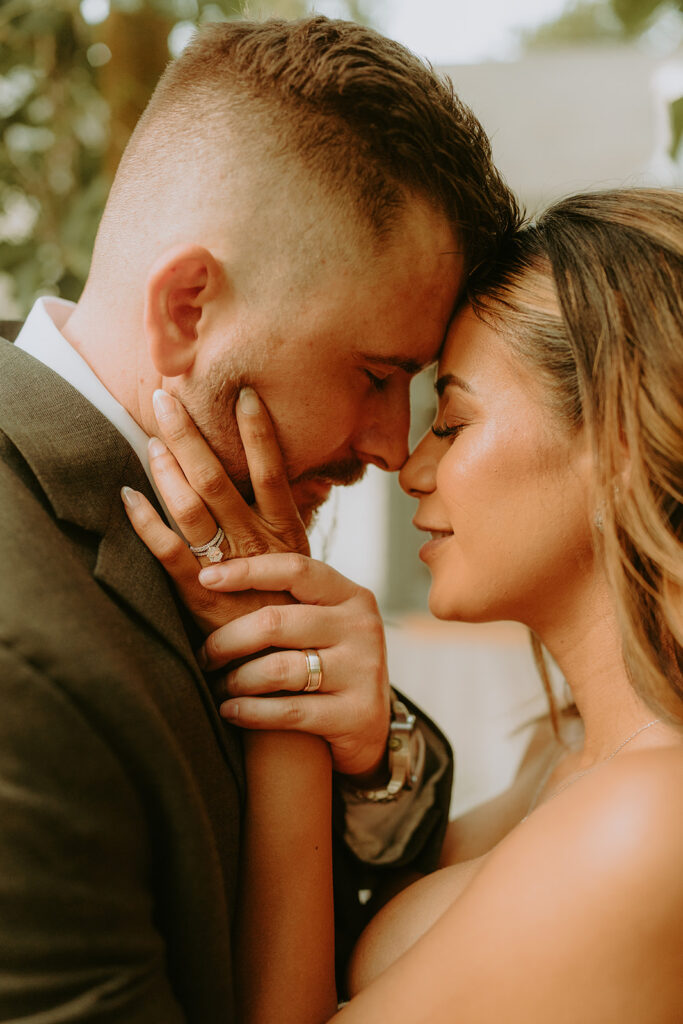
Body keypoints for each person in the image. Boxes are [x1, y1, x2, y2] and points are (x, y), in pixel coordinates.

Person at [0, 15, 522, 1021]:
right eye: (374, 376)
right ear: (187, 307)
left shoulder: (235, 552)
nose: (385, 444)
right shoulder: (22, 646)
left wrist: (372, 758)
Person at [134, 187, 682, 1021]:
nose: (409, 466)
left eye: (452, 423)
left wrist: (283, 693)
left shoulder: (646, 825)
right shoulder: (563, 746)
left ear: (613, 447)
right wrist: (366, 748)